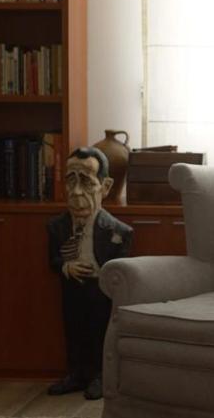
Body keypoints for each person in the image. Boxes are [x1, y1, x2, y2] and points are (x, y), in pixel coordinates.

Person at [46, 147, 133, 400]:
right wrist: (65, 266)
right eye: (70, 181)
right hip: (72, 288)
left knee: (99, 332)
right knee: (73, 331)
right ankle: (76, 374)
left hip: (101, 291)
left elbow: (122, 268)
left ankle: (99, 375)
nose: (76, 193)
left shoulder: (119, 231)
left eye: (86, 182)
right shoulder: (56, 227)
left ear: (105, 187)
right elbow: (52, 259)